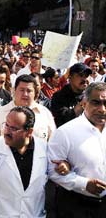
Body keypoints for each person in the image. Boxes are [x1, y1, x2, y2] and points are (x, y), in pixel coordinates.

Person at [48, 82, 106, 218]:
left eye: (105, 103)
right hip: (76, 206)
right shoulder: (65, 132)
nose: (102, 109)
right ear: (84, 103)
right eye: (96, 103)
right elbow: (51, 171)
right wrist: (84, 184)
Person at [0, 106, 48, 217]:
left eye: (14, 129)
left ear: (29, 132)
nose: (7, 132)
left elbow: (57, 174)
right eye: (6, 125)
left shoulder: (45, 149)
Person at [0, 74, 56, 141]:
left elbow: (53, 143)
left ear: (35, 93)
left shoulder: (44, 113)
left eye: (29, 91)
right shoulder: (0, 113)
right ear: (14, 90)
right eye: (22, 90)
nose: (25, 94)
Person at [51, 63, 92, 127]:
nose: (85, 79)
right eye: (81, 75)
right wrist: (82, 105)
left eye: (86, 76)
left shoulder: (92, 96)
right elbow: (62, 121)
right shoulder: (59, 96)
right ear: (70, 77)